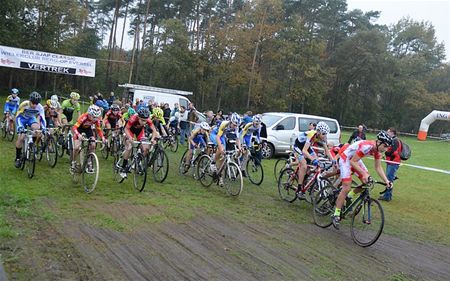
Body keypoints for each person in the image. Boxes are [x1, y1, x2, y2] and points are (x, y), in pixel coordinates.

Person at [332, 131, 394, 229]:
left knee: (367, 181)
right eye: (385, 146)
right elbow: (352, 162)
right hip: (346, 159)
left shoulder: (378, 151)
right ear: (378, 142)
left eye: (387, 147)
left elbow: (378, 167)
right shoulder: (366, 146)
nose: (385, 149)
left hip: (355, 160)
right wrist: (364, 173)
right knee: (347, 186)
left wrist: (387, 181)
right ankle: (336, 214)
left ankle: (349, 196)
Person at [292, 121, 334, 199]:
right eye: (323, 134)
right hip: (298, 146)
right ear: (318, 132)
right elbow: (304, 151)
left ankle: (305, 178)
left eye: (326, 134)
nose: (325, 136)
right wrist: (312, 160)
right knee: (304, 165)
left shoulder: (323, 137)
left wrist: (333, 160)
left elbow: (327, 151)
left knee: (317, 161)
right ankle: (299, 188)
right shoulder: (311, 134)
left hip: (307, 146)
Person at [121, 107, 159, 178]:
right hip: (130, 131)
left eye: (145, 120)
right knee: (129, 147)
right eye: (142, 120)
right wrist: (129, 137)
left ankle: (137, 162)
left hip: (140, 131)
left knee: (146, 149)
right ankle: (123, 167)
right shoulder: (133, 118)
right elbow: (126, 128)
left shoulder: (148, 119)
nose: (144, 122)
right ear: (138, 117)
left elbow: (154, 130)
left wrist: (153, 139)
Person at [14, 92, 47, 168]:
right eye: (33, 103)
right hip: (21, 119)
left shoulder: (40, 107)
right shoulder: (24, 104)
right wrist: (19, 127)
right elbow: (18, 116)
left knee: (37, 129)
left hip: (31, 119)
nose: (35, 105)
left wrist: (44, 128)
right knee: (21, 137)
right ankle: (18, 158)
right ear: (30, 101)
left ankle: (31, 144)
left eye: (37, 103)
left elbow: (42, 118)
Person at [71, 105, 106, 171]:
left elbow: (98, 129)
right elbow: (74, 127)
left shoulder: (96, 120)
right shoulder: (84, 117)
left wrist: (103, 138)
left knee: (93, 144)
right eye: (93, 117)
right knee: (76, 147)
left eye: (96, 117)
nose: (95, 119)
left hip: (88, 129)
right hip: (79, 129)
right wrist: (78, 135)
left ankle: (89, 162)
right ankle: (73, 162)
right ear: (89, 114)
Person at [211, 113, 242, 186]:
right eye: (234, 125)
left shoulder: (236, 127)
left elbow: (237, 139)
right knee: (221, 147)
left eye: (236, 126)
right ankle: (213, 163)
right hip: (215, 134)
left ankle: (219, 175)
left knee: (224, 156)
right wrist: (221, 148)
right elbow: (218, 137)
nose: (235, 127)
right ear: (231, 122)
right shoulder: (224, 124)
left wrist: (240, 147)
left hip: (223, 135)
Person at [379, 128, 401, 202]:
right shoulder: (394, 140)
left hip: (393, 162)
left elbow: (393, 152)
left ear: (392, 132)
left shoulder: (395, 140)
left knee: (389, 179)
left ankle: (387, 196)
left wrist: (385, 152)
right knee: (389, 178)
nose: (387, 133)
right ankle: (387, 195)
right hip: (391, 162)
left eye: (388, 132)